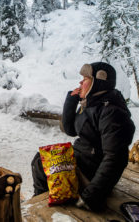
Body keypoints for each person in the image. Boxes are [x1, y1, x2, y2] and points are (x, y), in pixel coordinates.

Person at [31, 62, 135, 211]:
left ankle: (43, 205)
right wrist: (71, 101)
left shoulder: (112, 112)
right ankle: (42, 198)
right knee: (40, 159)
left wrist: (91, 195)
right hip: (82, 158)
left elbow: (116, 158)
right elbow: (71, 130)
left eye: (85, 78)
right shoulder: (92, 103)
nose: (80, 82)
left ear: (98, 82)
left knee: (42, 165)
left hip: (91, 172)